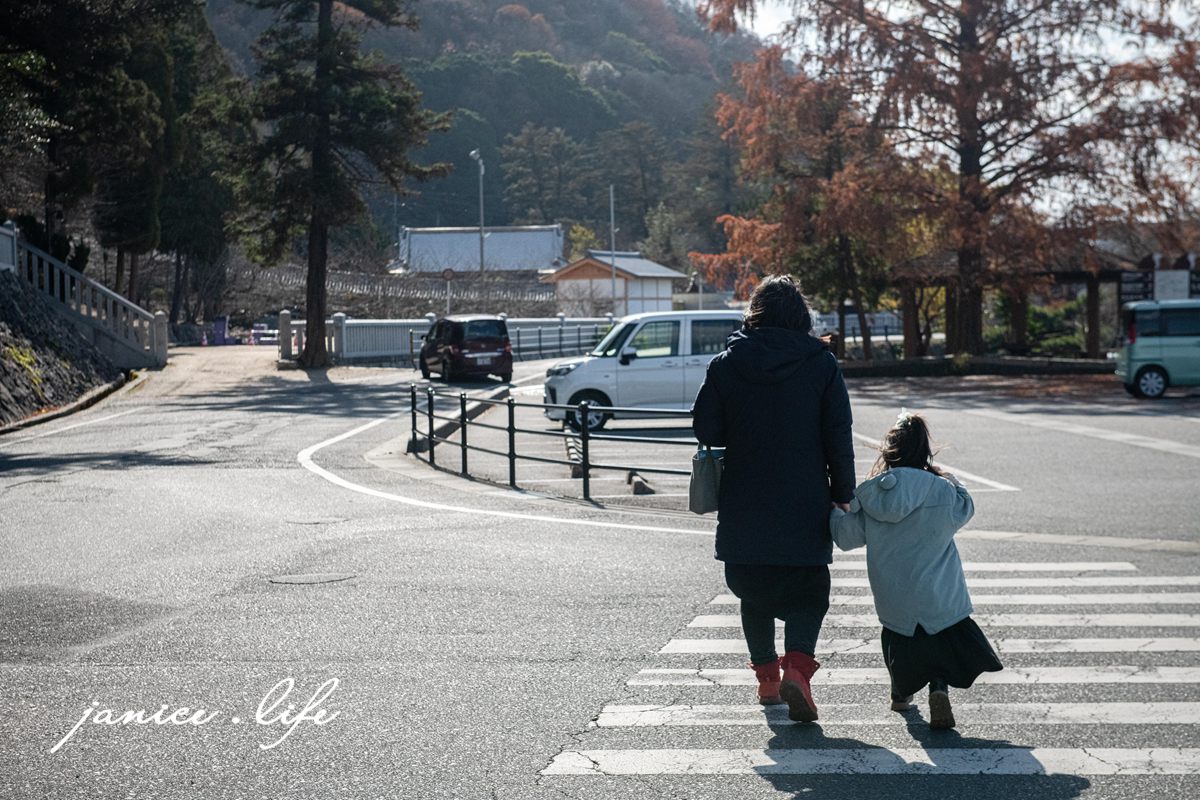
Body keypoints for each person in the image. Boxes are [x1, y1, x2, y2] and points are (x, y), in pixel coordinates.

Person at [692, 275, 855, 722]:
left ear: (755, 312)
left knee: (754, 594)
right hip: (804, 499)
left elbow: (707, 429)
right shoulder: (820, 364)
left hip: (745, 499)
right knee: (809, 592)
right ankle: (798, 672)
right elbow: (838, 435)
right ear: (800, 317)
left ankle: (766, 678)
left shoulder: (728, 362)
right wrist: (843, 493)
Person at [829, 412, 1003, 729]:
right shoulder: (942, 491)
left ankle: (900, 694)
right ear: (924, 451)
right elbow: (967, 507)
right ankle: (938, 687)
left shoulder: (871, 494)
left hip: (893, 595)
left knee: (898, 638)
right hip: (939, 593)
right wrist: (950, 478)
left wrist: (836, 512)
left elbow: (846, 538)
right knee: (941, 637)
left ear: (888, 452)